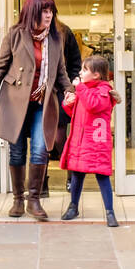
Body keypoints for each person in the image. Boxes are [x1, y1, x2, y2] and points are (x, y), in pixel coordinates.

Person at [0, 0, 73, 221]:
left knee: (40, 148)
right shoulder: (15, 34)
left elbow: (61, 71)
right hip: (15, 102)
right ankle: (18, 200)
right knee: (17, 150)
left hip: (43, 104)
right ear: (33, 11)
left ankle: (34, 200)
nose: (49, 15)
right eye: (45, 11)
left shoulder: (56, 38)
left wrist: (71, 92)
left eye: (51, 11)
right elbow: (0, 66)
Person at [59, 53, 120, 227]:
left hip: (96, 143)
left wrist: (79, 89)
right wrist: (68, 103)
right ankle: (73, 206)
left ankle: (110, 211)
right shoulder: (85, 90)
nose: (80, 73)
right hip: (81, 142)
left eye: (84, 70)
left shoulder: (103, 90)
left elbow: (94, 106)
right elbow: (76, 113)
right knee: (77, 173)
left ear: (97, 75)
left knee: (102, 175)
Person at [45, 19, 83, 199]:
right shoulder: (30, 30)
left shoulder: (64, 31)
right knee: (42, 138)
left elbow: (76, 62)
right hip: (39, 92)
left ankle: (70, 177)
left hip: (61, 89)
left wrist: (71, 85)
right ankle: (41, 181)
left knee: (60, 136)